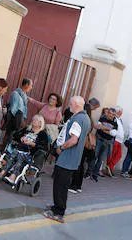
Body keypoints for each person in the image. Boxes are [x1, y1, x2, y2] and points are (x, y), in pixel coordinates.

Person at [44, 96, 92, 224]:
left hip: (67, 157)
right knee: (63, 185)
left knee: (60, 184)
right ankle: (57, 206)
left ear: (76, 104)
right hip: (73, 158)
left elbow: (74, 139)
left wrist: (61, 147)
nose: (69, 105)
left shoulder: (77, 118)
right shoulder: (86, 118)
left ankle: (58, 212)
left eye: (71, 103)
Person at [0, 114, 49, 185]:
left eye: (36, 120)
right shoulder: (27, 129)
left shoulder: (42, 134)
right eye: (33, 119)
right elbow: (16, 135)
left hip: (31, 155)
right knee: (14, 153)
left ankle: (13, 176)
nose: (34, 121)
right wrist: (21, 138)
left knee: (20, 156)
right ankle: (2, 173)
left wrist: (32, 143)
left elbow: (44, 147)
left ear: (40, 123)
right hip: (19, 150)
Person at [68, 103, 95, 194]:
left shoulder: (82, 119)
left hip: (81, 144)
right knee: (81, 165)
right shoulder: (90, 120)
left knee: (77, 164)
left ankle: (73, 185)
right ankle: (78, 185)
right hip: (86, 145)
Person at [89, 107, 117, 181]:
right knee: (94, 156)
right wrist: (109, 129)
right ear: (107, 113)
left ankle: (95, 175)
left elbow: (113, 134)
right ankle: (88, 173)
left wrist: (103, 129)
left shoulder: (115, 123)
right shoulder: (102, 119)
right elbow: (99, 127)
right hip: (99, 140)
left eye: (113, 114)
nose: (111, 115)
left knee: (100, 159)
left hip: (107, 143)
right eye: (110, 113)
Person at [5, 79, 32, 143]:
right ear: (26, 85)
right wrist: (20, 121)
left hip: (21, 121)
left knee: (15, 141)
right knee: (9, 140)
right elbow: (13, 110)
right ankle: (3, 152)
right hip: (14, 121)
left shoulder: (24, 95)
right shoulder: (16, 94)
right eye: (31, 85)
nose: (31, 88)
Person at [105, 106, 125, 176]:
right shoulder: (115, 119)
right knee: (112, 154)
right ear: (119, 112)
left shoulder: (120, 119)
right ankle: (110, 168)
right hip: (115, 139)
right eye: (121, 111)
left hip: (120, 140)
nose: (121, 113)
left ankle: (110, 166)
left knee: (118, 155)